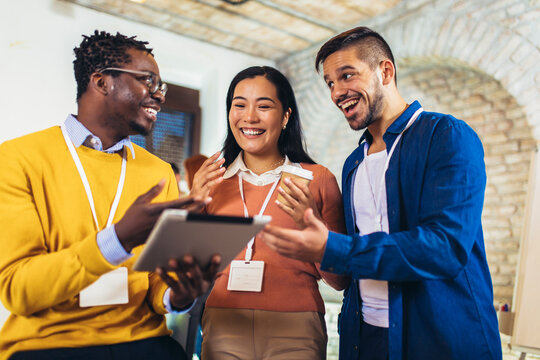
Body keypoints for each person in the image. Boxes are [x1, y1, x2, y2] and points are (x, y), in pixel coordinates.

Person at [260, 27, 502, 360]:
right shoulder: (353, 164)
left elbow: (445, 247)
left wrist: (333, 246)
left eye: (347, 76)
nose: (337, 92)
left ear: (385, 71)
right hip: (364, 340)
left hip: (441, 341)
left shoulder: (446, 136)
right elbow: (348, 266)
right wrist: (314, 227)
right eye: (330, 83)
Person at [0, 30, 220, 360]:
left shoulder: (157, 172)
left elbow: (157, 285)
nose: (159, 96)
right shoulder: (17, 158)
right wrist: (116, 241)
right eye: (149, 81)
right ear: (102, 82)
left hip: (144, 343)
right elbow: (20, 291)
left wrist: (178, 295)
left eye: (161, 86)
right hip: (51, 345)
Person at [192, 66, 349, 360]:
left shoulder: (318, 179)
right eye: (239, 105)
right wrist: (193, 203)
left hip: (296, 326)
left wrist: (311, 224)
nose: (249, 116)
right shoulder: (212, 180)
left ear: (286, 116)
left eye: (264, 106)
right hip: (224, 322)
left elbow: (340, 280)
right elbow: (189, 270)